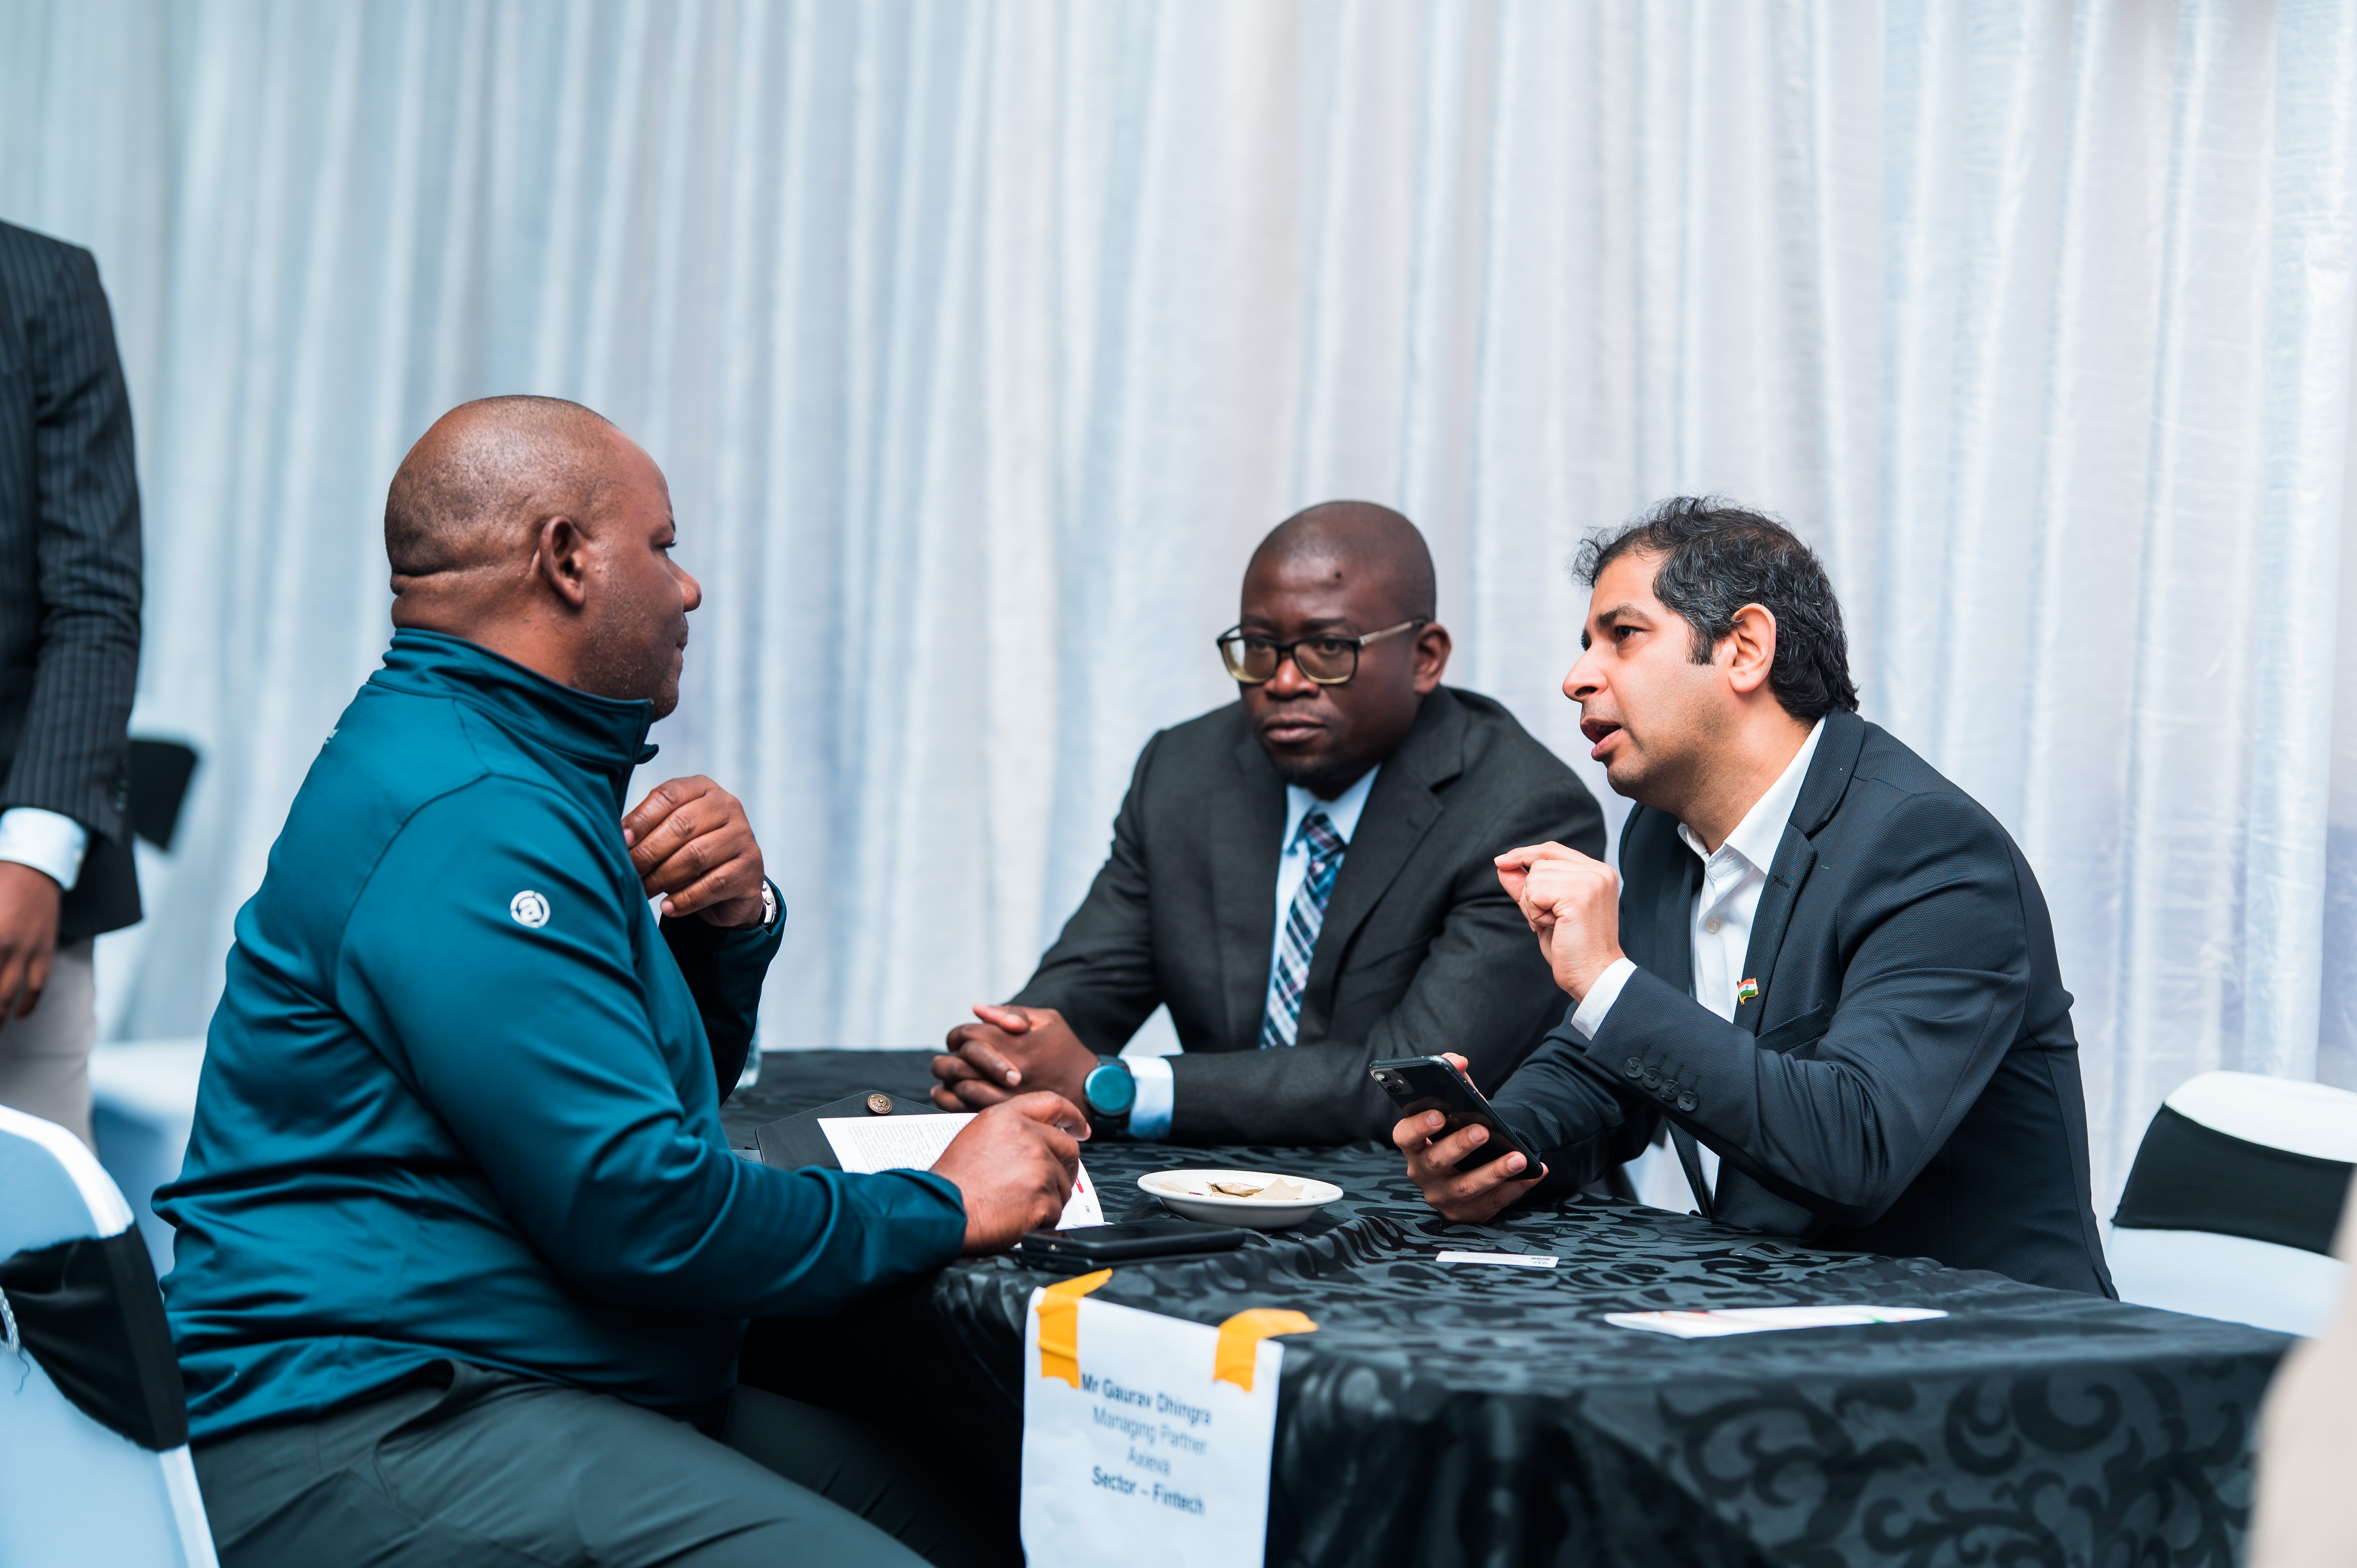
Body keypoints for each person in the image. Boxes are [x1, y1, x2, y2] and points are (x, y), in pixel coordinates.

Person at [158, 397, 1083, 1568]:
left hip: (520, 1367)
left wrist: (724, 930)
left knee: (1007, 1527)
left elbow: (636, 1103)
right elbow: (640, 1208)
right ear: (567, 558)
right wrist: (945, 1202)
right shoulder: (476, 812)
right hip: (371, 1407)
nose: (688, 588)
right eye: (664, 545)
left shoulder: (503, 760)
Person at [1394, 497, 2113, 1295]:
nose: (1577, 679)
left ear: (1744, 650)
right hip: (1770, 1308)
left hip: (1986, 1332)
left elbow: (1857, 1145)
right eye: (1586, 645)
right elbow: (1609, 1071)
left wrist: (1604, 979)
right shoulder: (1659, 835)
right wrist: (1496, 1147)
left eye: (1623, 635)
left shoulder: (1931, 848)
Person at [931, 502, 1605, 1146]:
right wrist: (1007, 1058)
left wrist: (1116, 1088)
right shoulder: (1184, 772)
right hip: (1213, 1183)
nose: (1283, 682)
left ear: (1425, 657)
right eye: (1259, 647)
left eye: (1329, 648)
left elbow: (1410, 1081)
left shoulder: (1522, 811)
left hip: (1440, 1199)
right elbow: (1091, 985)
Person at [0, 220, 143, 1150]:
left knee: (35, 1217)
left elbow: (94, 599)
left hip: (10, 880)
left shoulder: (43, 286)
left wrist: (35, 855)